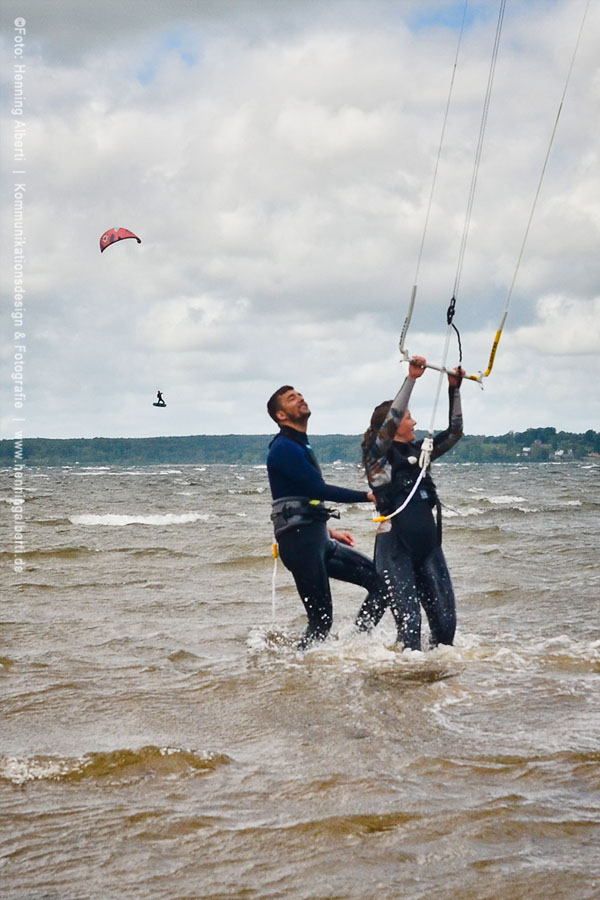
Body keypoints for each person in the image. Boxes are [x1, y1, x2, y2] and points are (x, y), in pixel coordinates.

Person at [356, 356, 464, 650]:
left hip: (428, 547)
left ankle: (435, 690)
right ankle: (402, 685)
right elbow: (390, 424)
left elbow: (455, 432)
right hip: (395, 549)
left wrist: (455, 389)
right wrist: (412, 379)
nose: (414, 421)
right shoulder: (377, 458)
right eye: (408, 417)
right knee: (410, 630)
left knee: (445, 630)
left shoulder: (422, 452)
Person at [266, 385, 385, 649]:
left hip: (316, 538)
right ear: (281, 416)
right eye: (291, 398)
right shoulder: (283, 448)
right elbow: (316, 490)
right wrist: (368, 496)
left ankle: (357, 641)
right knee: (321, 621)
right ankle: (298, 667)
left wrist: (328, 531)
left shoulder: (299, 444)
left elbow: (300, 496)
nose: (300, 399)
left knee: (380, 582)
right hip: (300, 545)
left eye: (300, 394)